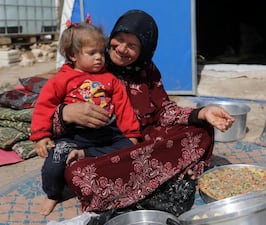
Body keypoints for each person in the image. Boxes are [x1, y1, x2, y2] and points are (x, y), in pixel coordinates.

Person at [53, 9, 235, 213]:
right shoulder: (89, 60)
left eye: (132, 45)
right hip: (98, 145)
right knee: (76, 172)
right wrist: (66, 113)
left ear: (145, 50)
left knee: (201, 131)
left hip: (143, 141)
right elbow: (46, 109)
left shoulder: (147, 69)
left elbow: (164, 110)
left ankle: (133, 188)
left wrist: (200, 113)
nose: (121, 49)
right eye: (118, 39)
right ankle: (164, 179)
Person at [30, 20, 141, 216]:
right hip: (74, 136)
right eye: (92, 53)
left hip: (107, 132)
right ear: (73, 55)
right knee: (53, 163)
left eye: (101, 52)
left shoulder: (110, 79)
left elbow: (123, 107)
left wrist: (131, 134)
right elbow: (44, 106)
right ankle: (53, 194)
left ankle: (87, 153)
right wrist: (41, 135)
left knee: (131, 149)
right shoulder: (62, 79)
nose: (99, 57)